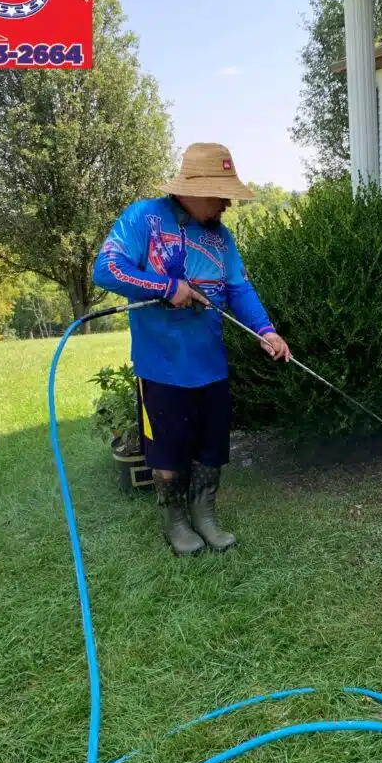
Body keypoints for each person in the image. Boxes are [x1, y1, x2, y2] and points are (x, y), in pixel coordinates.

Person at [93, 143, 291, 557]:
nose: (226, 205)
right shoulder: (143, 218)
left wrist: (266, 330)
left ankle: (205, 516)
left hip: (210, 365)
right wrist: (168, 287)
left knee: (211, 444)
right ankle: (176, 522)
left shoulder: (222, 238)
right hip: (161, 365)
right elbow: (106, 269)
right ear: (193, 189)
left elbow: (239, 288)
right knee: (168, 446)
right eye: (220, 195)